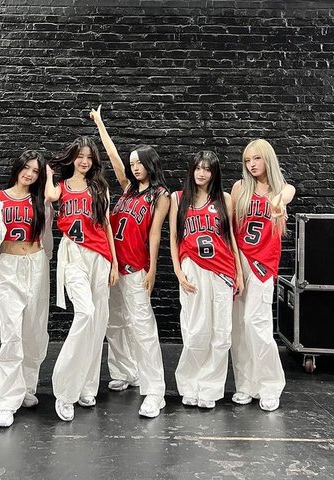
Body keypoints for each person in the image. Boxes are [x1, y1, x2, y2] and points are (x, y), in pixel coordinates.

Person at [89, 105, 170, 418]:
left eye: (139, 163)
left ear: (151, 164)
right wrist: (100, 124)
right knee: (115, 322)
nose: (135, 168)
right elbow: (112, 157)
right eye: (132, 163)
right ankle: (126, 371)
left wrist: (152, 268)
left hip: (137, 267)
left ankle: (155, 391)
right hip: (113, 266)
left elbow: (156, 234)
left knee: (142, 327)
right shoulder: (126, 189)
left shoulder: (160, 194)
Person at [0, 150, 52, 428]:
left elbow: (47, 236)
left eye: (36, 170)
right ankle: (5, 401)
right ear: (18, 167)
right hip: (8, 266)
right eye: (26, 167)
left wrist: (50, 178)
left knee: (34, 331)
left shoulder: (40, 201)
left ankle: (26, 388)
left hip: (37, 265)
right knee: (11, 335)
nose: (29, 174)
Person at [45, 135, 118, 422]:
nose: (85, 161)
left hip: (100, 256)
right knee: (85, 313)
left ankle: (88, 386)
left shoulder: (100, 187)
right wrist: (49, 175)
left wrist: (114, 262)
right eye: (80, 156)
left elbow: (107, 224)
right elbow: (50, 196)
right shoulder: (62, 187)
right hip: (74, 253)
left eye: (89, 157)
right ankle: (65, 391)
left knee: (98, 323)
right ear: (72, 157)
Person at [170, 150, 243, 409]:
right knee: (195, 331)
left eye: (207, 169)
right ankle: (189, 384)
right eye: (198, 168)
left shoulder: (224, 199)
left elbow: (231, 237)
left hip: (222, 270)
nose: (201, 173)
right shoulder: (178, 198)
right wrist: (178, 271)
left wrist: (239, 273)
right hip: (193, 268)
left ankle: (210, 389)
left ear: (214, 173)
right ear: (191, 170)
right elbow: (174, 237)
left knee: (221, 333)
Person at [230, 139, 295, 412]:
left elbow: (288, 193)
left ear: (267, 159)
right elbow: (230, 229)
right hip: (239, 260)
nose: (252, 164)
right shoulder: (240, 187)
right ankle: (246, 384)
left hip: (263, 263)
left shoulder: (280, 189)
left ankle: (269, 385)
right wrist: (235, 266)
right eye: (247, 160)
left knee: (257, 324)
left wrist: (278, 203)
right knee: (238, 327)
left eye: (256, 158)